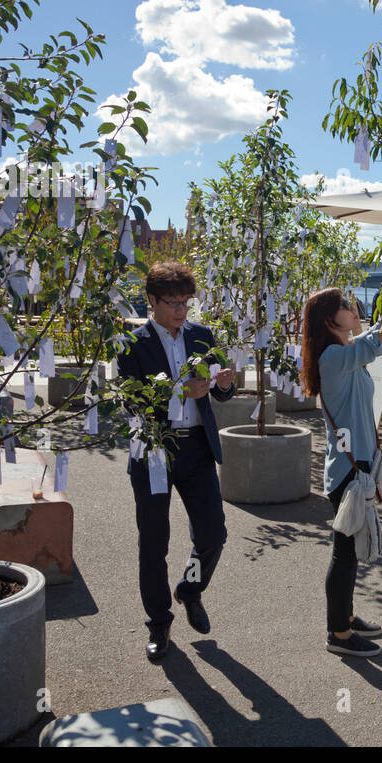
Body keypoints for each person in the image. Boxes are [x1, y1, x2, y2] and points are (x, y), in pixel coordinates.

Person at [118, 261, 236, 663]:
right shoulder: (131, 343)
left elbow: (220, 394)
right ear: (151, 301)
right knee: (153, 543)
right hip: (153, 449)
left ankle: (189, 590)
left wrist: (224, 384)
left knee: (213, 534)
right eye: (172, 303)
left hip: (197, 448)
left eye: (186, 302)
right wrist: (179, 392)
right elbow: (131, 402)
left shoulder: (202, 335)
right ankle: (158, 622)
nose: (181, 310)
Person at [302, 272, 382, 658]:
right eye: (345, 305)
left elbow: (381, 330)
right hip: (347, 472)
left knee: (348, 551)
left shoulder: (345, 351)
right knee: (344, 554)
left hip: (355, 467)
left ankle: (344, 616)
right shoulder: (334, 358)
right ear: (330, 321)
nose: (353, 308)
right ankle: (339, 634)